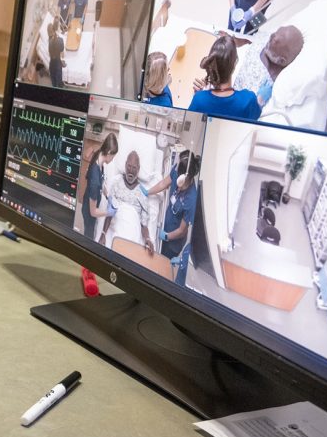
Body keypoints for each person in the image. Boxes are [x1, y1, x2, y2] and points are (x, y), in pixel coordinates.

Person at [147, 150, 200, 286]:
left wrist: (166, 236)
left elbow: (182, 230)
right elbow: (164, 183)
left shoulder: (191, 199)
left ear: (185, 178)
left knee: (163, 269)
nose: (175, 169)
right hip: (165, 225)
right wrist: (148, 192)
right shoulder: (178, 171)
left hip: (173, 243)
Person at [187, 33, 261, 121]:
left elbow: (189, 123)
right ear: (235, 64)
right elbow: (256, 118)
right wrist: (261, 99)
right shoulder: (248, 100)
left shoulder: (199, 100)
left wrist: (201, 96)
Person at [231, 24, 304, 110]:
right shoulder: (264, 38)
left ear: (281, 60)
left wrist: (258, 102)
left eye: (276, 41)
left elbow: (239, 109)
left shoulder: (266, 83)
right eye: (276, 32)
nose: (272, 36)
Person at [100, 150, 155, 253]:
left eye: (134, 167)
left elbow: (144, 225)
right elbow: (110, 211)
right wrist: (103, 233)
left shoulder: (142, 193)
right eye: (129, 166)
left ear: (138, 169)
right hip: (118, 226)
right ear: (125, 165)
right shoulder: (116, 183)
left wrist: (147, 239)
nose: (131, 170)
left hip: (132, 230)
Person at [79, 132, 118, 241]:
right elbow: (93, 212)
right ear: (109, 153)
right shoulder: (95, 181)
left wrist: (107, 195)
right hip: (89, 212)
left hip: (90, 197)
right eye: (113, 156)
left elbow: (101, 179)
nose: (113, 159)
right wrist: (109, 212)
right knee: (89, 235)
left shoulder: (99, 154)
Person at [47, 20, 65, 88]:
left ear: (48, 33)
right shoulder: (60, 40)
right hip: (58, 64)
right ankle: (60, 86)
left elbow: (50, 55)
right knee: (59, 82)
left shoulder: (49, 43)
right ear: (55, 30)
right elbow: (62, 55)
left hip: (52, 65)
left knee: (54, 83)